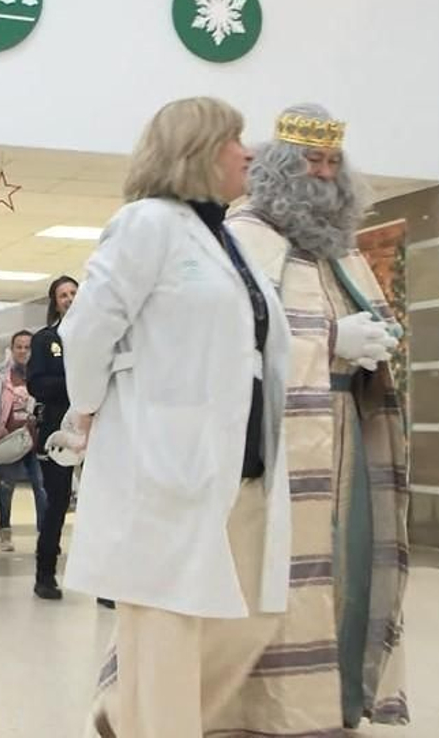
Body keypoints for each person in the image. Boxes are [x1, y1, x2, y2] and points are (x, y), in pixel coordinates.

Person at [68, 97, 292, 737]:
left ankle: (125, 715)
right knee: (167, 621)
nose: (247, 152)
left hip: (239, 459)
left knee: (253, 615)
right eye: (234, 139)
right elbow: (87, 330)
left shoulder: (227, 236)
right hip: (163, 458)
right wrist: (87, 410)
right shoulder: (147, 224)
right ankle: (150, 723)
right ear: (196, 150)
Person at [226, 103, 410, 732]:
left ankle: (337, 699)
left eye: (333, 162)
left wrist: (378, 344)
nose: (325, 174)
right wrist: (331, 340)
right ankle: (264, 710)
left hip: (347, 436)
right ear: (281, 166)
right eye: (312, 160)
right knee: (274, 574)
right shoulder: (245, 235)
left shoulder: (343, 249)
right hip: (273, 447)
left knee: (348, 568)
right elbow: (235, 336)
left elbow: (369, 321)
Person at [26, 275, 77, 601]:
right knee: (56, 502)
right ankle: (45, 574)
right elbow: (37, 384)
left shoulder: (98, 337)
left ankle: (104, 583)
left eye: (74, 293)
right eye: (63, 295)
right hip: (58, 430)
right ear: (54, 301)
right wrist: (76, 383)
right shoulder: (46, 340)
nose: (70, 298)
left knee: (102, 504)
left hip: (97, 429)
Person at [0, 331, 47, 552]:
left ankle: (45, 535)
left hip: (36, 442)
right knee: (5, 488)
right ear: (12, 348)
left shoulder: (42, 375)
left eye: (28, 347)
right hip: (7, 442)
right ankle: (4, 532)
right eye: (19, 347)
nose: (23, 351)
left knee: (42, 487)